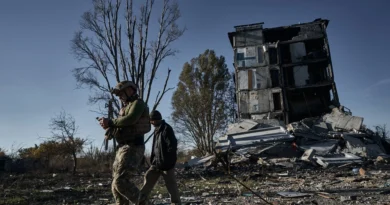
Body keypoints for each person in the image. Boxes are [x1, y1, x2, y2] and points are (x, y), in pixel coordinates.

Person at [98, 81, 151, 205]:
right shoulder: (124, 109)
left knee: (120, 182)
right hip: (122, 148)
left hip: (133, 147)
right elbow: (121, 125)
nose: (119, 96)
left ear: (130, 90)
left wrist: (110, 122)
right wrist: (109, 130)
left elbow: (131, 119)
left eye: (121, 93)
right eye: (118, 94)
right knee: (115, 186)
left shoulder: (138, 104)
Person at [138, 110, 181, 205]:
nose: (151, 123)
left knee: (171, 186)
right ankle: (140, 201)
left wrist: (169, 162)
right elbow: (155, 147)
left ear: (156, 119)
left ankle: (176, 203)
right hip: (156, 164)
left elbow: (172, 146)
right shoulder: (157, 129)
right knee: (148, 179)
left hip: (166, 164)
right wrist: (153, 160)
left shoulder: (166, 129)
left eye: (151, 120)